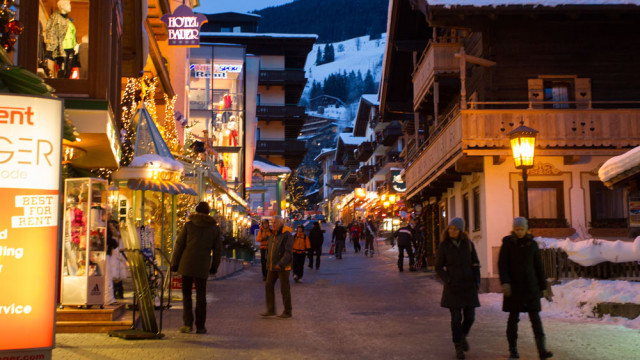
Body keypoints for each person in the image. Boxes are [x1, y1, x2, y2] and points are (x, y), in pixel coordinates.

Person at [499, 217, 554, 360]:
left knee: (536, 320)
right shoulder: (508, 244)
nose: (519, 232)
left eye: (521, 229)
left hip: (531, 288)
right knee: (513, 319)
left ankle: (542, 350)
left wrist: (543, 287)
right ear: (513, 229)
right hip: (514, 289)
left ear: (526, 229)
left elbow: (538, 267)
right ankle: (513, 350)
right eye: (516, 229)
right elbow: (502, 265)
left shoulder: (532, 245)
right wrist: (505, 282)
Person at [170, 202, 222, 334]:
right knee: (201, 296)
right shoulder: (214, 229)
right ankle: (200, 326)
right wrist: (214, 267)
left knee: (186, 295)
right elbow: (217, 251)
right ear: (208, 213)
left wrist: (174, 264)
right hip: (202, 265)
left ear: (196, 211)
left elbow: (179, 245)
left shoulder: (189, 225)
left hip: (186, 264)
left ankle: (187, 324)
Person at [435, 218, 480, 360]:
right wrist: (448, 279)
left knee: (470, 317)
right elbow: (438, 267)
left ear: (461, 230)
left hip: (468, 286)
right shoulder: (444, 246)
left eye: (454, 228)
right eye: (450, 228)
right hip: (453, 287)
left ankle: (462, 336)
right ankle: (458, 346)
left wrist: (477, 281)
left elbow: (475, 264)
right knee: (455, 318)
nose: (451, 231)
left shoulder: (468, 245)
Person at [261, 216, 294, 318]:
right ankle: (271, 309)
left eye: (275, 222)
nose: (272, 224)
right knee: (268, 285)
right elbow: (270, 250)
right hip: (272, 266)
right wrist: (268, 263)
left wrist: (281, 263)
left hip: (283, 267)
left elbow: (288, 252)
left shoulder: (286, 234)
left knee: (284, 289)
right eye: (272, 222)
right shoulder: (272, 234)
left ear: (280, 223)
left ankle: (287, 311)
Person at [105, 220, 127, 304]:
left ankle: (116, 293)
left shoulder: (117, 235)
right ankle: (113, 295)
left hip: (115, 257)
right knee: (112, 276)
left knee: (114, 277)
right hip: (113, 257)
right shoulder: (114, 235)